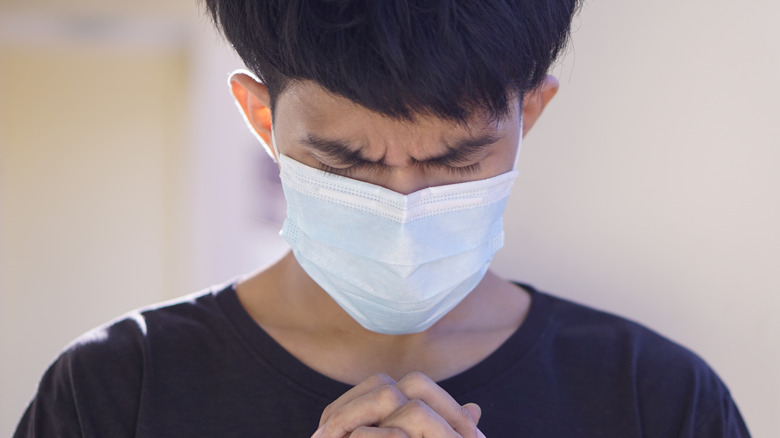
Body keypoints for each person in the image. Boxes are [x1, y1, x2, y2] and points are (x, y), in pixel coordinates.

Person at [15, 0, 750, 436]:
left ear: (530, 113)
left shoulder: (657, 401)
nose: (402, 207)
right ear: (260, 117)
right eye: (347, 163)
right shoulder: (116, 390)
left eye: (454, 162)